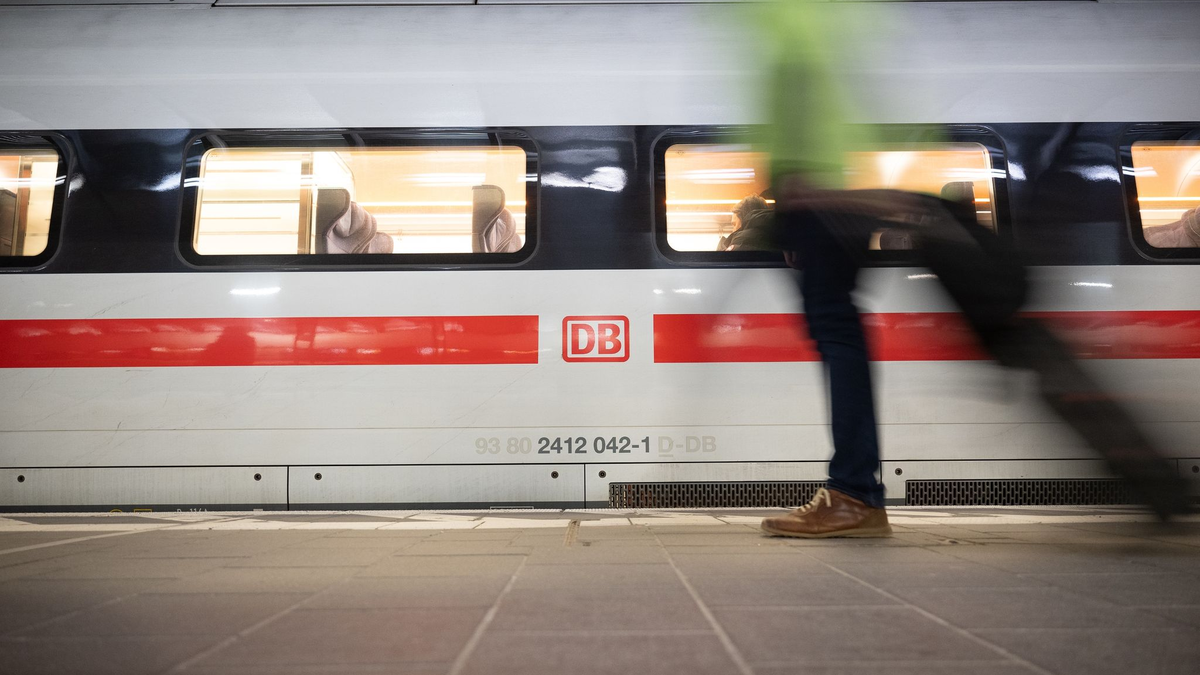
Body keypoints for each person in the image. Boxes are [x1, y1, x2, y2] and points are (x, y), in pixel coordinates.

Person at [756, 0, 1190, 538]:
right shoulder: (828, 24)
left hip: (829, 203)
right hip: (859, 213)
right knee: (1035, 363)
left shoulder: (797, 26)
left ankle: (854, 493)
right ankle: (854, 491)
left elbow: (819, 98)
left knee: (840, 333)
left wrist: (813, 189)